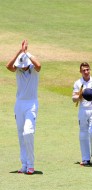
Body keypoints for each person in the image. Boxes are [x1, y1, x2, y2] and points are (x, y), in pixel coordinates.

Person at [6, 40, 41, 174]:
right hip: (19, 104)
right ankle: (24, 164)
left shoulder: (34, 70)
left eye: (23, 66)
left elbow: (39, 65)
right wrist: (19, 52)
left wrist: (27, 52)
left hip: (31, 104)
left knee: (28, 132)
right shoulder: (18, 70)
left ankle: (31, 163)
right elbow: (8, 66)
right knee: (21, 135)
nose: (21, 68)